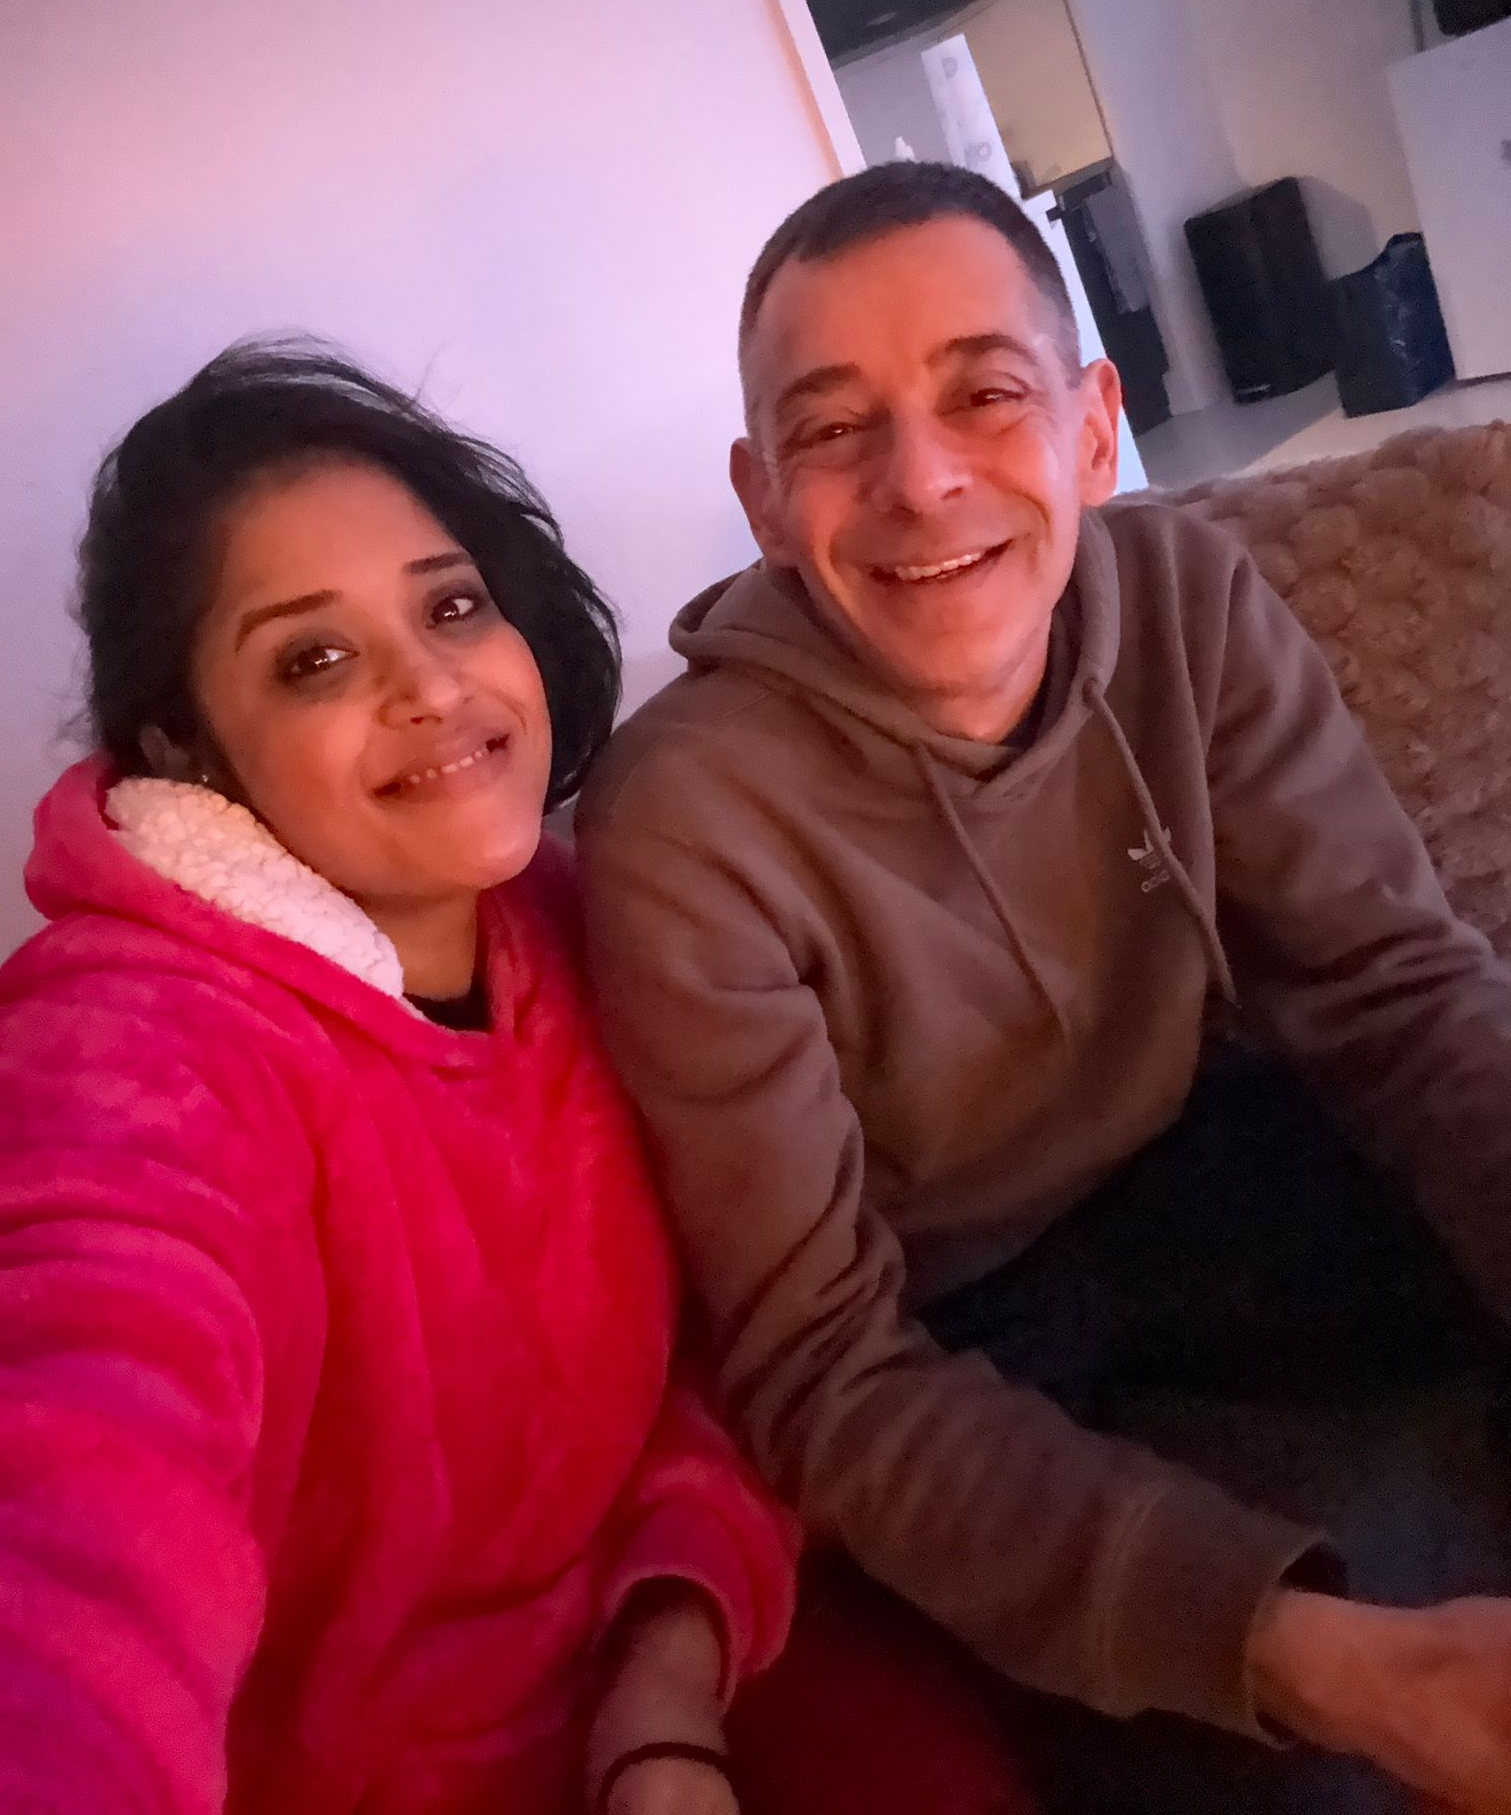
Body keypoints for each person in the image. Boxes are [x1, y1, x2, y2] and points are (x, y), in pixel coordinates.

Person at [576, 162, 1511, 1813]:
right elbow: (824, 1365)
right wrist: (1329, 1663)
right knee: (1306, 1750)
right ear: (762, 497)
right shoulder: (682, 821)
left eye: (984, 394)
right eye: (834, 428)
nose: (921, 481)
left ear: (1092, 427)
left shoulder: (1189, 599)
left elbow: (1400, 996)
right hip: (961, 1322)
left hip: (1213, 1159)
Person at [0, 342, 802, 1815]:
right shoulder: (124, 1053)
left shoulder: (573, 919)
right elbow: (68, 1489)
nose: (429, 684)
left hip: (670, 1687)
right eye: (314, 659)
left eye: (451, 605)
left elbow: (721, 1352)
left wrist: (662, 1699)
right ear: (187, 748)